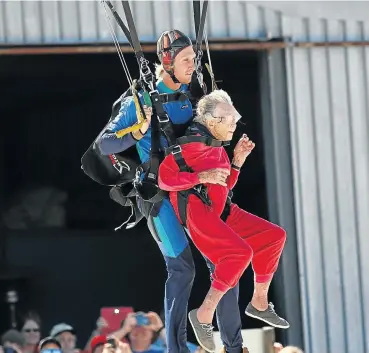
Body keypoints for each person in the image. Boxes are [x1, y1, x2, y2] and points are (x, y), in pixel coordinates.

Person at [96, 30, 249, 353]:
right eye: (186, 60)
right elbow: (105, 144)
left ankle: (233, 346)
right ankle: (176, 350)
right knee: (182, 269)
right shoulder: (141, 101)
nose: (193, 65)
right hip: (159, 197)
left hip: (195, 193)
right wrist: (137, 129)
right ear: (167, 61)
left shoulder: (195, 97)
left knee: (225, 261)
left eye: (194, 59)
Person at [158, 89, 289, 352]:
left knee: (274, 237)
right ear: (211, 120)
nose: (233, 125)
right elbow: (164, 178)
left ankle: (259, 303)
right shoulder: (191, 144)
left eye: (234, 118)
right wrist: (199, 178)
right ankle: (203, 315)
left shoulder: (216, 146)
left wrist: (237, 163)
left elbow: (223, 186)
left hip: (221, 211)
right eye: (228, 120)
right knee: (240, 254)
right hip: (199, 214)